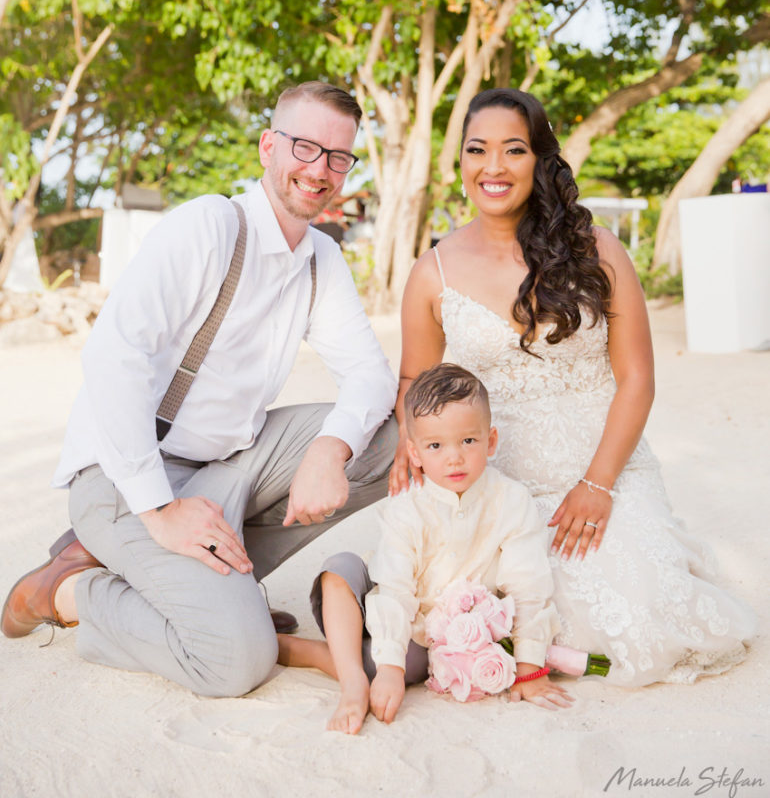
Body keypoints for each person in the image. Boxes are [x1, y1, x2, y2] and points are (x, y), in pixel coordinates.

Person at [1, 81, 398, 697]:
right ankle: (68, 592)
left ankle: (201, 590)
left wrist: (331, 449)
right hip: (127, 476)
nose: (319, 170)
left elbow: (370, 375)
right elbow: (113, 358)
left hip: (229, 466)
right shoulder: (209, 227)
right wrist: (158, 511)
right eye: (304, 147)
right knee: (236, 661)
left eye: (338, 157)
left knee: (394, 438)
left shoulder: (321, 258)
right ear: (269, 146)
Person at [391, 87, 756, 687]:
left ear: (540, 160)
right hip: (495, 482)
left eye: (513, 150)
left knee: (645, 613)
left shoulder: (599, 252)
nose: (493, 167)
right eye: (477, 150)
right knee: (473, 606)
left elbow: (638, 379)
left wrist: (598, 485)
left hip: (604, 472)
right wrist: (412, 441)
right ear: (460, 163)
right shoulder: (434, 271)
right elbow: (415, 380)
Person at [277, 363, 570, 734]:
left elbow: (528, 585)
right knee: (340, 568)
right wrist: (389, 672)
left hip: (435, 634)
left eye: (468, 441)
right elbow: (394, 589)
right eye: (435, 445)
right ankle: (353, 683)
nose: (454, 457)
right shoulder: (408, 507)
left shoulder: (512, 501)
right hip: (384, 601)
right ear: (414, 453)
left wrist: (530, 668)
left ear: (491, 441)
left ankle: (308, 652)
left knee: (414, 666)